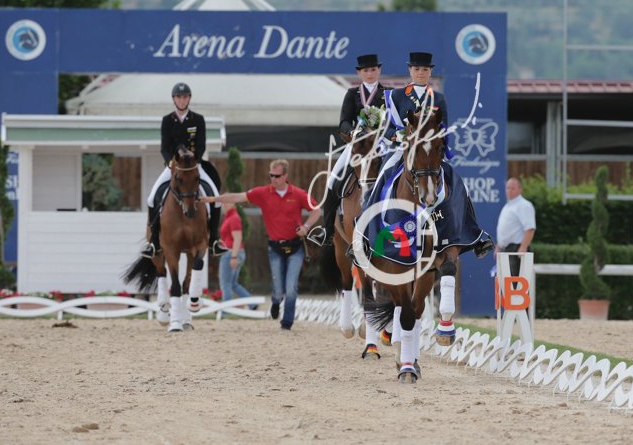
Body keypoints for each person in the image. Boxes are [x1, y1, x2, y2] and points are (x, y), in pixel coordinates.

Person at [366, 51, 493, 258]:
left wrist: (439, 146)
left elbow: (445, 129)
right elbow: (386, 128)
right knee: (381, 180)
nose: (420, 73)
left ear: (430, 72)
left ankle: (475, 235)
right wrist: (397, 136)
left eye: (424, 70)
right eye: (417, 69)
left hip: (430, 154)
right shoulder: (396, 96)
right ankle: (364, 235)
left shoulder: (438, 98)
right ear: (410, 71)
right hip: (402, 151)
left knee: (460, 185)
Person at [203, 159, 321, 330]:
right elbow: (237, 196)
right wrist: (214, 199)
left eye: (277, 176)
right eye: (271, 175)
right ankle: (275, 301)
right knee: (278, 289)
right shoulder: (263, 193)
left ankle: (286, 323)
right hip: (275, 248)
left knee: (291, 288)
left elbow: (316, 210)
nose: (273, 179)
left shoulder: (298, 194)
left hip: (295, 247)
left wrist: (306, 227)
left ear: (285, 176)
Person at [141, 82, 228, 259]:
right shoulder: (167, 120)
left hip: (194, 166)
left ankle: (214, 241)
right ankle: (154, 243)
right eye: (179, 97)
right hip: (174, 167)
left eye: (185, 97)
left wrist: (194, 161)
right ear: (174, 99)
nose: (182, 100)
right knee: (151, 198)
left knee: (216, 198)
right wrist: (171, 163)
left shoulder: (198, 119)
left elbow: (201, 145)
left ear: (189, 98)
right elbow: (165, 147)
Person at [317, 54, 389, 245]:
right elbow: (343, 122)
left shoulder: (389, 93)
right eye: (366, 70)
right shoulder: (352, 94)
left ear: (379, 70)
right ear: (359, 73)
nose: (370, 73)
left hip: (383, 144)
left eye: (373, 70)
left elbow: (394, 118)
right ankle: (327, 230)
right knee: (333, 180)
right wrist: (354, 131)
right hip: (358, 145)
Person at [218, 201, 255, 309]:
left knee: (226, 284)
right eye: (223, 203)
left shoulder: (234, 218)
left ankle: (226, 310)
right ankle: (252, 304)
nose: (223, 205)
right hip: (232, 252)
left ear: (233, 204)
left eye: (225, 203)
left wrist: (234, 257)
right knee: (233, 284)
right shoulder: (229, 217)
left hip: (231, 253)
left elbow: (238, 238)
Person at [495, 177, 536, 276]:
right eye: (508, 188)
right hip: (506, 250)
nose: (509, 191)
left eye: (512, 188)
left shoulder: (524, 205)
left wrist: (523, 248)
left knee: (515, 282)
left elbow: (530, 228)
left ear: (520, 190)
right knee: (505, 281)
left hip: (517, 250)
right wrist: (498, 246)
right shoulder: (508, 206)